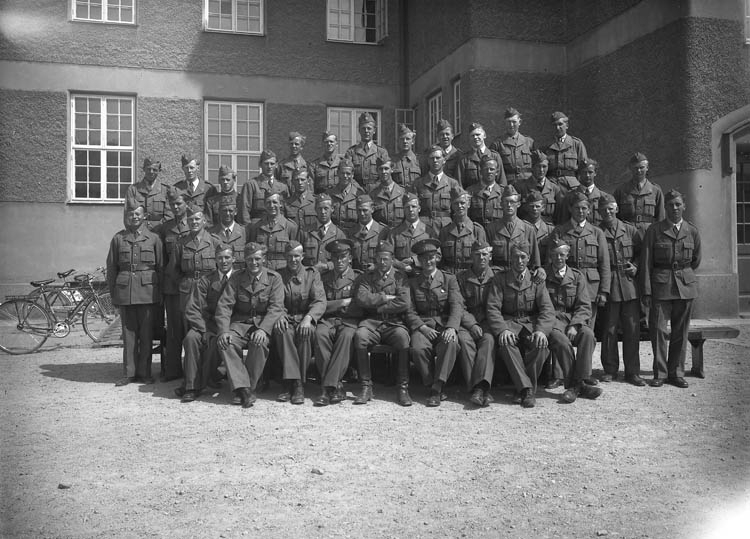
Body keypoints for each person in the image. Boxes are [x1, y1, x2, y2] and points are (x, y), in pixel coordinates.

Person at [640, 189, 701, 388]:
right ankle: (660, 373)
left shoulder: (692, 231)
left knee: (680, 332)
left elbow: (695, 259)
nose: (674, 208)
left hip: (685, 287)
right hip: (661, 286)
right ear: (665, 208)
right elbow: (646, 262)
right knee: (658, 331)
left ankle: (676, 373)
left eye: (677, 204)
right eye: (670, 205)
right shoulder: (654, 230)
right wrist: (646, 291)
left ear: (684, 206)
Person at [215, 242, 285, 407]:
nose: (254, 263)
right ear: (244, 260)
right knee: (226, 343)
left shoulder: (274, 278)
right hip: (240, 324)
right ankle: (245, 390)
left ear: (264, 259)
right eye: (250, 259)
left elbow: (276, 307)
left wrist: (263, 330)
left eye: (257, 259)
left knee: (259, 343)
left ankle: (246, 388)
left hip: (262, 322)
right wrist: (224, 331)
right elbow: (224, 306)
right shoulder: (237, 278)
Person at [486, 242, 554, 408]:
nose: (519, 261)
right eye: (516, 257)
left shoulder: (536, 279)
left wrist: (541, 331)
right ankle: (527, 390)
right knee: (506, 344)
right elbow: (493, 308)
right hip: (510, 323)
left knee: (541, 346)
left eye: (523, 257)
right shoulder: (500, 279)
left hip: (530, 323)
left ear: (529, 258)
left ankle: (522, 388)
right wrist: (502, 330)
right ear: (510, 258)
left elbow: (547, 309)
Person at [107, 203, 163, 386]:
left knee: (146, 334)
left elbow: (161, 268)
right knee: (129, 334)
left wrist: (160, 294)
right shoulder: (118, 239)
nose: (134, 217)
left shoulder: (153, 238)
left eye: (138, 214)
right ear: (126, 216)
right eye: (131, 214)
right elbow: (112, 268)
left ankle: (145, 372)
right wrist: (114, 294)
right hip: (126, 292)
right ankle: (129, 373)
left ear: (144, 216)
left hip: (148, 292)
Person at [351, 240, 412, 406]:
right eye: (379, 258)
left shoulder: (400, 277)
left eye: (386, 259)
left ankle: (403, 388)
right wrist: (385, 297)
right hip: (372, 321)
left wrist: (378, 306)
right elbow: (362, 298)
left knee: (403, 339)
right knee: (360, 336)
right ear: (375, 259)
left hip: (394, 322)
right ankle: (366, 386)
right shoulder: (367, 277)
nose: (382, 262)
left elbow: (404, 302)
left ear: (392, 259)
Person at [404, 238, 464, 407]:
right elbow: (409, 310)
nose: (428, 262)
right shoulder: (413, 283)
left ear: (437, 258)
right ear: (418, 261)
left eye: (431, 258)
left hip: (444, 324)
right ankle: (430, 383)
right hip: (423, 325)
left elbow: (457, 305)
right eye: (423, 259)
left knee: (451, 344)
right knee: (417, 349)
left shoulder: (449, 279)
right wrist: (422, 327)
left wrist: (451, 327)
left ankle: (437, 387)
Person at [544, 239, 603, 403]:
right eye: (555, 255)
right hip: (552, 321)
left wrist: (575, 325)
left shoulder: (577, 276)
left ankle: (579, 382)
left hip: (571, 320)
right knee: (561, 341)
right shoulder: (543, 275)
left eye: (562, 255)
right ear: (550, 256)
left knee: (588, 335)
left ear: (567, 256)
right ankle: (576, 385)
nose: (558, 258)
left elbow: (584, 305)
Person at [177, 244, 235, 402]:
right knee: (191, 338)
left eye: (227, 257)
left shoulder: (239, 278)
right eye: (220, 258)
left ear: (234, 259)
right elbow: (192, 308)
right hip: (207, 324)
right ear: (215, 259)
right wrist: (204, 330)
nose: (223, 261)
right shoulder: (206, 280)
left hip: (230, 325)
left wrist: (224, 329)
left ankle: (194, 385)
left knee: (217, 342)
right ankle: (191, 386)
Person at [597, 193, 643, 385]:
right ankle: (610, 369)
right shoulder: (597, 232)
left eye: (610, 208)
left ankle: (632, 372)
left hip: (629, 285)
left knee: (632, 330)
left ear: (616, 209)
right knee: (609, 329)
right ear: (599, 212)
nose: (607, 212)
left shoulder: (630, 230)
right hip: (610, 284)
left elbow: (642, 252)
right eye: (603, 210)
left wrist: (636, 266)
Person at [273, 241, 326, 404]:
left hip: (305, 318)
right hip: (287, 318)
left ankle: (298, 384)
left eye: (296, 256)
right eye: (289, 256)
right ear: (285, 256)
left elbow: (319, 301)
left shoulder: (312, 274)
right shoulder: (278, 276)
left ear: (302, 256)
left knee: (306, 333)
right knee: (283, 332)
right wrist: (280, 315)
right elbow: (275, 300)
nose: (293, 260)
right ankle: (292, 382)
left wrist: (309, 318)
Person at [550, 191, 610, 329]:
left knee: (587, 329)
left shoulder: (596, 232)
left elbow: (604, 263)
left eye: (584, 208)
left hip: (590, 287)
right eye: (577, 208)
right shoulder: (560, 231)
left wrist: (604, 291)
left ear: (589, 210)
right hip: (565, 286)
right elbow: (551, 260)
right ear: (570, 209)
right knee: (563, 327)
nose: (580, 211)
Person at [313, 239, 360, 406]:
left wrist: (334, 305)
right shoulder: (323, 278)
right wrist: (342, 303)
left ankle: (326, 388)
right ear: (331, 259)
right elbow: (320, 304)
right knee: (319, 334)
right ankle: (337, 385)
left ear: (350, 258)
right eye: (335, 258)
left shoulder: (358, 278)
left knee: (346, 337)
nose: (339, 261)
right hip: (327, 320)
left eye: (343, 257)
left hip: (349, 321)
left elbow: (359, 305)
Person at [456, 241, 499, 407]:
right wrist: (472, 324)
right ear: (471, 257)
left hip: (488, 321)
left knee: (488, 341)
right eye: (477, 254)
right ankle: (478, 388)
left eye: (484, 254)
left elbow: (497, 305)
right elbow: (459, 306)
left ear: (490, 256)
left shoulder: (497, 276)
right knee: (464, 341)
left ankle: (480, 389)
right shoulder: (460, 278)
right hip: (467, 323)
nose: (481, 258)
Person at [157, 189, 190, 383]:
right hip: (172, 287)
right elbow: (161, 261)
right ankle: (173, 370)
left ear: (186, 204)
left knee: (192, 328)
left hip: (191, 286)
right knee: (174, 329)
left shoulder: (195, 224)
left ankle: (194, 369)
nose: (175, 207)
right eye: (172, 204)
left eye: (179, 203)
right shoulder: (164, 229)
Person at [173, 205, 220, 315]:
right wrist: (183, 283)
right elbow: (174, 269)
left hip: (209, 289)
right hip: (188, 290)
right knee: (188, 321)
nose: (194, 222)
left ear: (204, 221)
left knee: (209, 320)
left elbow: (222, 267)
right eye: (191, 219)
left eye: (197, 219)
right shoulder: (181, 243)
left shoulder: (214, 241)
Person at [485, 185, 542, 273]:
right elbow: (487, 259)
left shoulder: (528, 229)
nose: (509, 205)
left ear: (518, 204)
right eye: (506, 202)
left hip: (520, 275)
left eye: (512, 202)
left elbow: (535, 262)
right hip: (498, 275)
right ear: (501, 204)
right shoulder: (491, 229)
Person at [409, 145, 461, 233]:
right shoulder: (418, 183)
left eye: (438, 158)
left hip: (446, 228)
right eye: (432, 158)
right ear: (428, 161)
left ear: (444, 160)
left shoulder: (452, 184)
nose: (435, 160)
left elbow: (457, 209)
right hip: (424, 228)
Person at [613, 152, 665, 239]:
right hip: (626, 234)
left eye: (642, 167)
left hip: (648, 234)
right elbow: (615, 216)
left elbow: (661, 217)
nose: (639, 171)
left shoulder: (655, 191)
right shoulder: (621, 190)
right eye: (635, 168)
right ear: (630, 168)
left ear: (647, 168)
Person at [386, 192, 438, 276]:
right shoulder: (394, 233)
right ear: (403, 209)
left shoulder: (429, 231)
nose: (410, 210)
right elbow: (387, 256)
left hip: (423, 276)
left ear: (419, 209)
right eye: (407, 207)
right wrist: (402, 265)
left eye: (413, 206)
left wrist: (414, 260)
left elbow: (438, 255)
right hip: (401, 276)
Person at [246, 192, 300, 271]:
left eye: (275, 202)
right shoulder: (256, 226)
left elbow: (296, 252)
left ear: (280, 204)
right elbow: (251, 251)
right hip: (262, 270)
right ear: (264, 205)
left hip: (283, 271)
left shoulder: (290, 227)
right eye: (268, 202)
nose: (271, 206)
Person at [438, 190, 487, 274]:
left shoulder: (477, 230)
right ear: (452, 206)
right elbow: (440, 260)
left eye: (462, 203)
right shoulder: (445, 231)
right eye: (456, 203)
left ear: (468, 204)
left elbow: (483, 258)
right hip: (449, 275)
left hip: (469, 275)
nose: (459, 206)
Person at [238, 150, 289, 225]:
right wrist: (249, 229)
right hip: (257, 227)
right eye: (266, 163)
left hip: (278, 227)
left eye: (272, 164)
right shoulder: (251, 185)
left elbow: (287, 212)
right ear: (260, 164)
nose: (269, 166)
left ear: (276, 165)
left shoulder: (283, 187)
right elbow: (244, 212)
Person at [344, 112, 390, 192]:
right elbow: (347, 173)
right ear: (359, 130)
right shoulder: (351, 152)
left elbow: (385, 174)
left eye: (369, 128)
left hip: (377, 192)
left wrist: (374, 188)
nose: (366, 131)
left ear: (374, 130)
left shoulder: (381, 152)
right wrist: (358, 189)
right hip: (356, 192)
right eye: (363, 128)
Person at [301, 193, 347, 272]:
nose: (323, 212)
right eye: (320, 209)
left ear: (332, 209)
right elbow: (297, 256)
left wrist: (327, 266)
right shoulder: (305, 232)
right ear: (315, 209)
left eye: (326, 208)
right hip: (309, 275)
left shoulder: (339, 234)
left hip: (330, 276)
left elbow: (345, 260)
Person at [517, 150, 565, 225]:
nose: (541, 170)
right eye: (538, 166)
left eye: (544, 166)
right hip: (527, 227)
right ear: (532, 167)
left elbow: (559, 216)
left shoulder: (555, 189)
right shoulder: (521, 187)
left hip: (548, 228)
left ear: (548, 168)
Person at [489, 107, 535, 185]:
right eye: (508, 122)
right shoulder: (497, 144)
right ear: (504, 123)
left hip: (527, 184)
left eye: (514, 122)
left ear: (520, 122)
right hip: (508, 184)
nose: (511, 125)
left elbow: (536, 165)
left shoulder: (529, 142)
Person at [544, 111, 586, 192]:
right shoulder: (545, 146)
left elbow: (583, 169)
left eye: (560, 124)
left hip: (571, 187)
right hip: (551, 186)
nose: (557, 128)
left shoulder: (576, 144)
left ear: (567, 126)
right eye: (554, 125)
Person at [455, 122, 507, 189]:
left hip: (492, 194)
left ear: (484, 135)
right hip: (471, 194)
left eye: (478, 134)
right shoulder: (464, 159)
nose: (475, 137)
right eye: (472, 135)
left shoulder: (494, 156)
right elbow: (459, 185)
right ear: (469, 138)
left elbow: (502, 183)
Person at [125, 157, 172, 230]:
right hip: (138, 232)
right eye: (148, 169)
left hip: (159, 232)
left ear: (159, 171)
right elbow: (128, 216)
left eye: (155, 170)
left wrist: (157, 231)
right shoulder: (133, 189)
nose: (151, 172)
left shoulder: (165, 190)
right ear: (144, 169)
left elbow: (169, 217)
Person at [351, 194, 388, 271]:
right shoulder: (350, 232)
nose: (362, 214)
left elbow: (390, 258)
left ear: (372, 209)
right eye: (359, 210)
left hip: (376, 273)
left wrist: (377, 266)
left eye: (365, 210)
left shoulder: (383, 231)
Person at [467, 155, 506, 228]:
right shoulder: (470, 191)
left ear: (497, 172)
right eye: (486, 169)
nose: (489, 172)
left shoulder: (503, 192)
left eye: (492, 169)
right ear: (481, 172)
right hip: (477, 232)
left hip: (497, 232)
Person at [207, 197, 246, 271]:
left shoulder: (244, 232)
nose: (227, 214)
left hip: (239, 275)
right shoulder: (210, 233)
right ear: (219, 211)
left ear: (236, 211)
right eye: (224, 211)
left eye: (230, 211)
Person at [329, 158, 366, 235]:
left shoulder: (359, 194)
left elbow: (364, 220)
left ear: (352, 175)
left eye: (348, 173)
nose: (345, 176)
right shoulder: (330, 193)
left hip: (353, 235)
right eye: (342, 173)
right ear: (338, 173)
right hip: (334, 235)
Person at [370, 157, 406, 229]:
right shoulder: (373, 195)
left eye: (386, 169)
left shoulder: (403, 192)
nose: (383, 172)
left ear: (392, 170)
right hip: (380, 233)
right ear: (377, 171)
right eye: (381, 169)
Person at [522, 190, 554, 267]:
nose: (534, 209)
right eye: (531, 206)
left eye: (537, 206)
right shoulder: (521, 227)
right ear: (526, 207)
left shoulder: (550, 230)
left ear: (543, 208)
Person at [391, 123, 421, 189]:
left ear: (413, 141)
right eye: (402, 139)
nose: (405, 141)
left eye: (408, 139)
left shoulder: (419, 160)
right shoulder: (392, 161)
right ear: (398, 141)